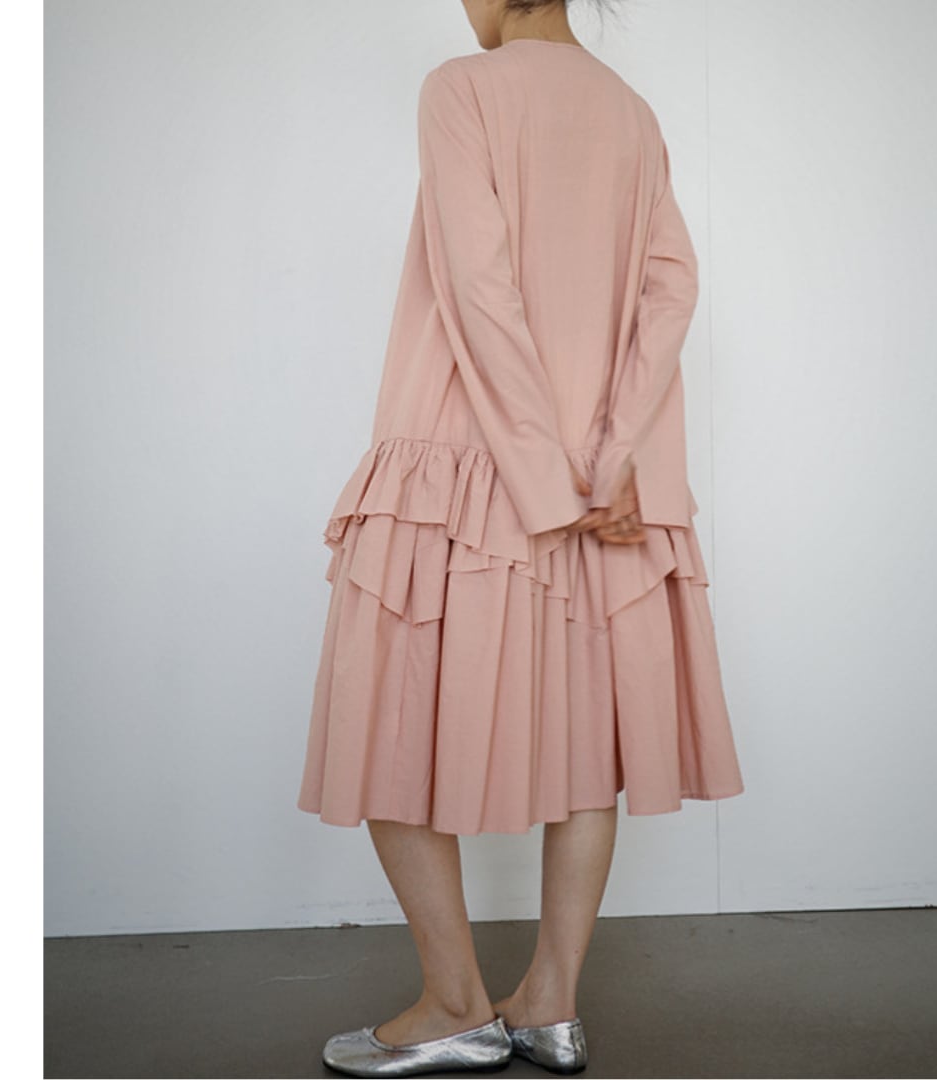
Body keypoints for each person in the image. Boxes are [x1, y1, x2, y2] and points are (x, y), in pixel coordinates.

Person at [298, 1, 745, 1074]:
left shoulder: (461, 88)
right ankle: (550, 1004)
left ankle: (455, 1004)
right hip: (605, 487)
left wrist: (545, 477)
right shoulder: (631, 112)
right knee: (589, 738)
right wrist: (611, 456)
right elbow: (673, 289)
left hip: (468, 467)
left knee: (389, 719)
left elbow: (476, 284)